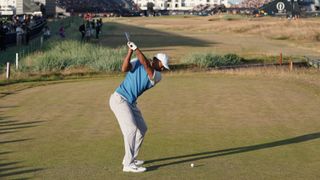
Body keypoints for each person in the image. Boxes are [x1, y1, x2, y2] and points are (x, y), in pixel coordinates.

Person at [109, 41, 170, 173]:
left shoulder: (157, 76)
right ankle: (128, 164)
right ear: (156, 60)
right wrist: (130, 51)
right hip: (119, 99)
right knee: (131, 130)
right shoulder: (138, 61)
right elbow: (124, 69)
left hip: (130, 102)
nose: (164, 69)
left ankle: (131, 158)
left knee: (142, 129)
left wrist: (136, 48)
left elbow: (146, 65)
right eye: (162, 65)